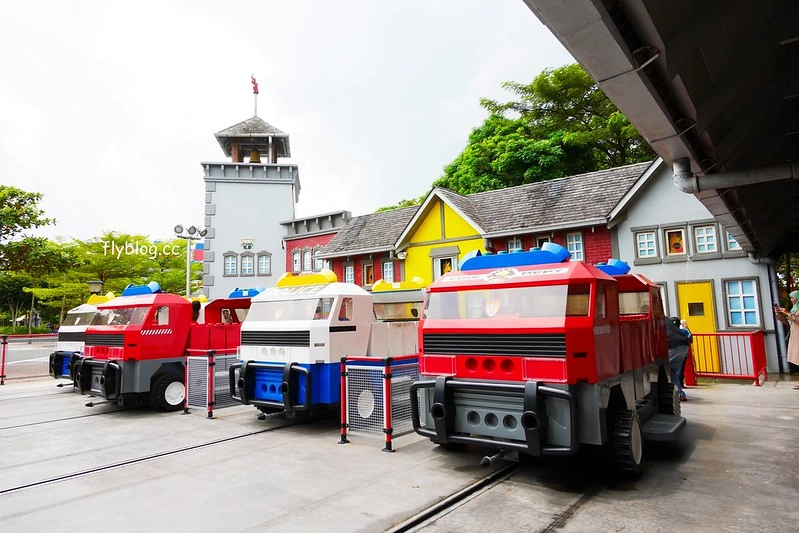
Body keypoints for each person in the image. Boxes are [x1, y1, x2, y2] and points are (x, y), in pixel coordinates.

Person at [775, 290, 799, 389]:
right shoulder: (794, 309)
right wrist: (780, 314)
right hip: (795, 336)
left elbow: (797, 319)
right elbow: (788, 323)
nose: (791, 300)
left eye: (793, 298)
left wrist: (787, 312)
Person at [666, 316, 691, 401]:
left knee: (665, 370)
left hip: (672, 346)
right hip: (684, 345)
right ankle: (680, 394)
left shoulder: (653, 320)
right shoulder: (665, 319)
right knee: (672, 371)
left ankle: (677, 394)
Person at [679, 319, 693, 387]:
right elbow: (690, 338)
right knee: (681, 368)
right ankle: (680, 384)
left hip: (673, 352)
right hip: (683, 351)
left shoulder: (673, 330)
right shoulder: (684, 331)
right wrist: (687, 328)